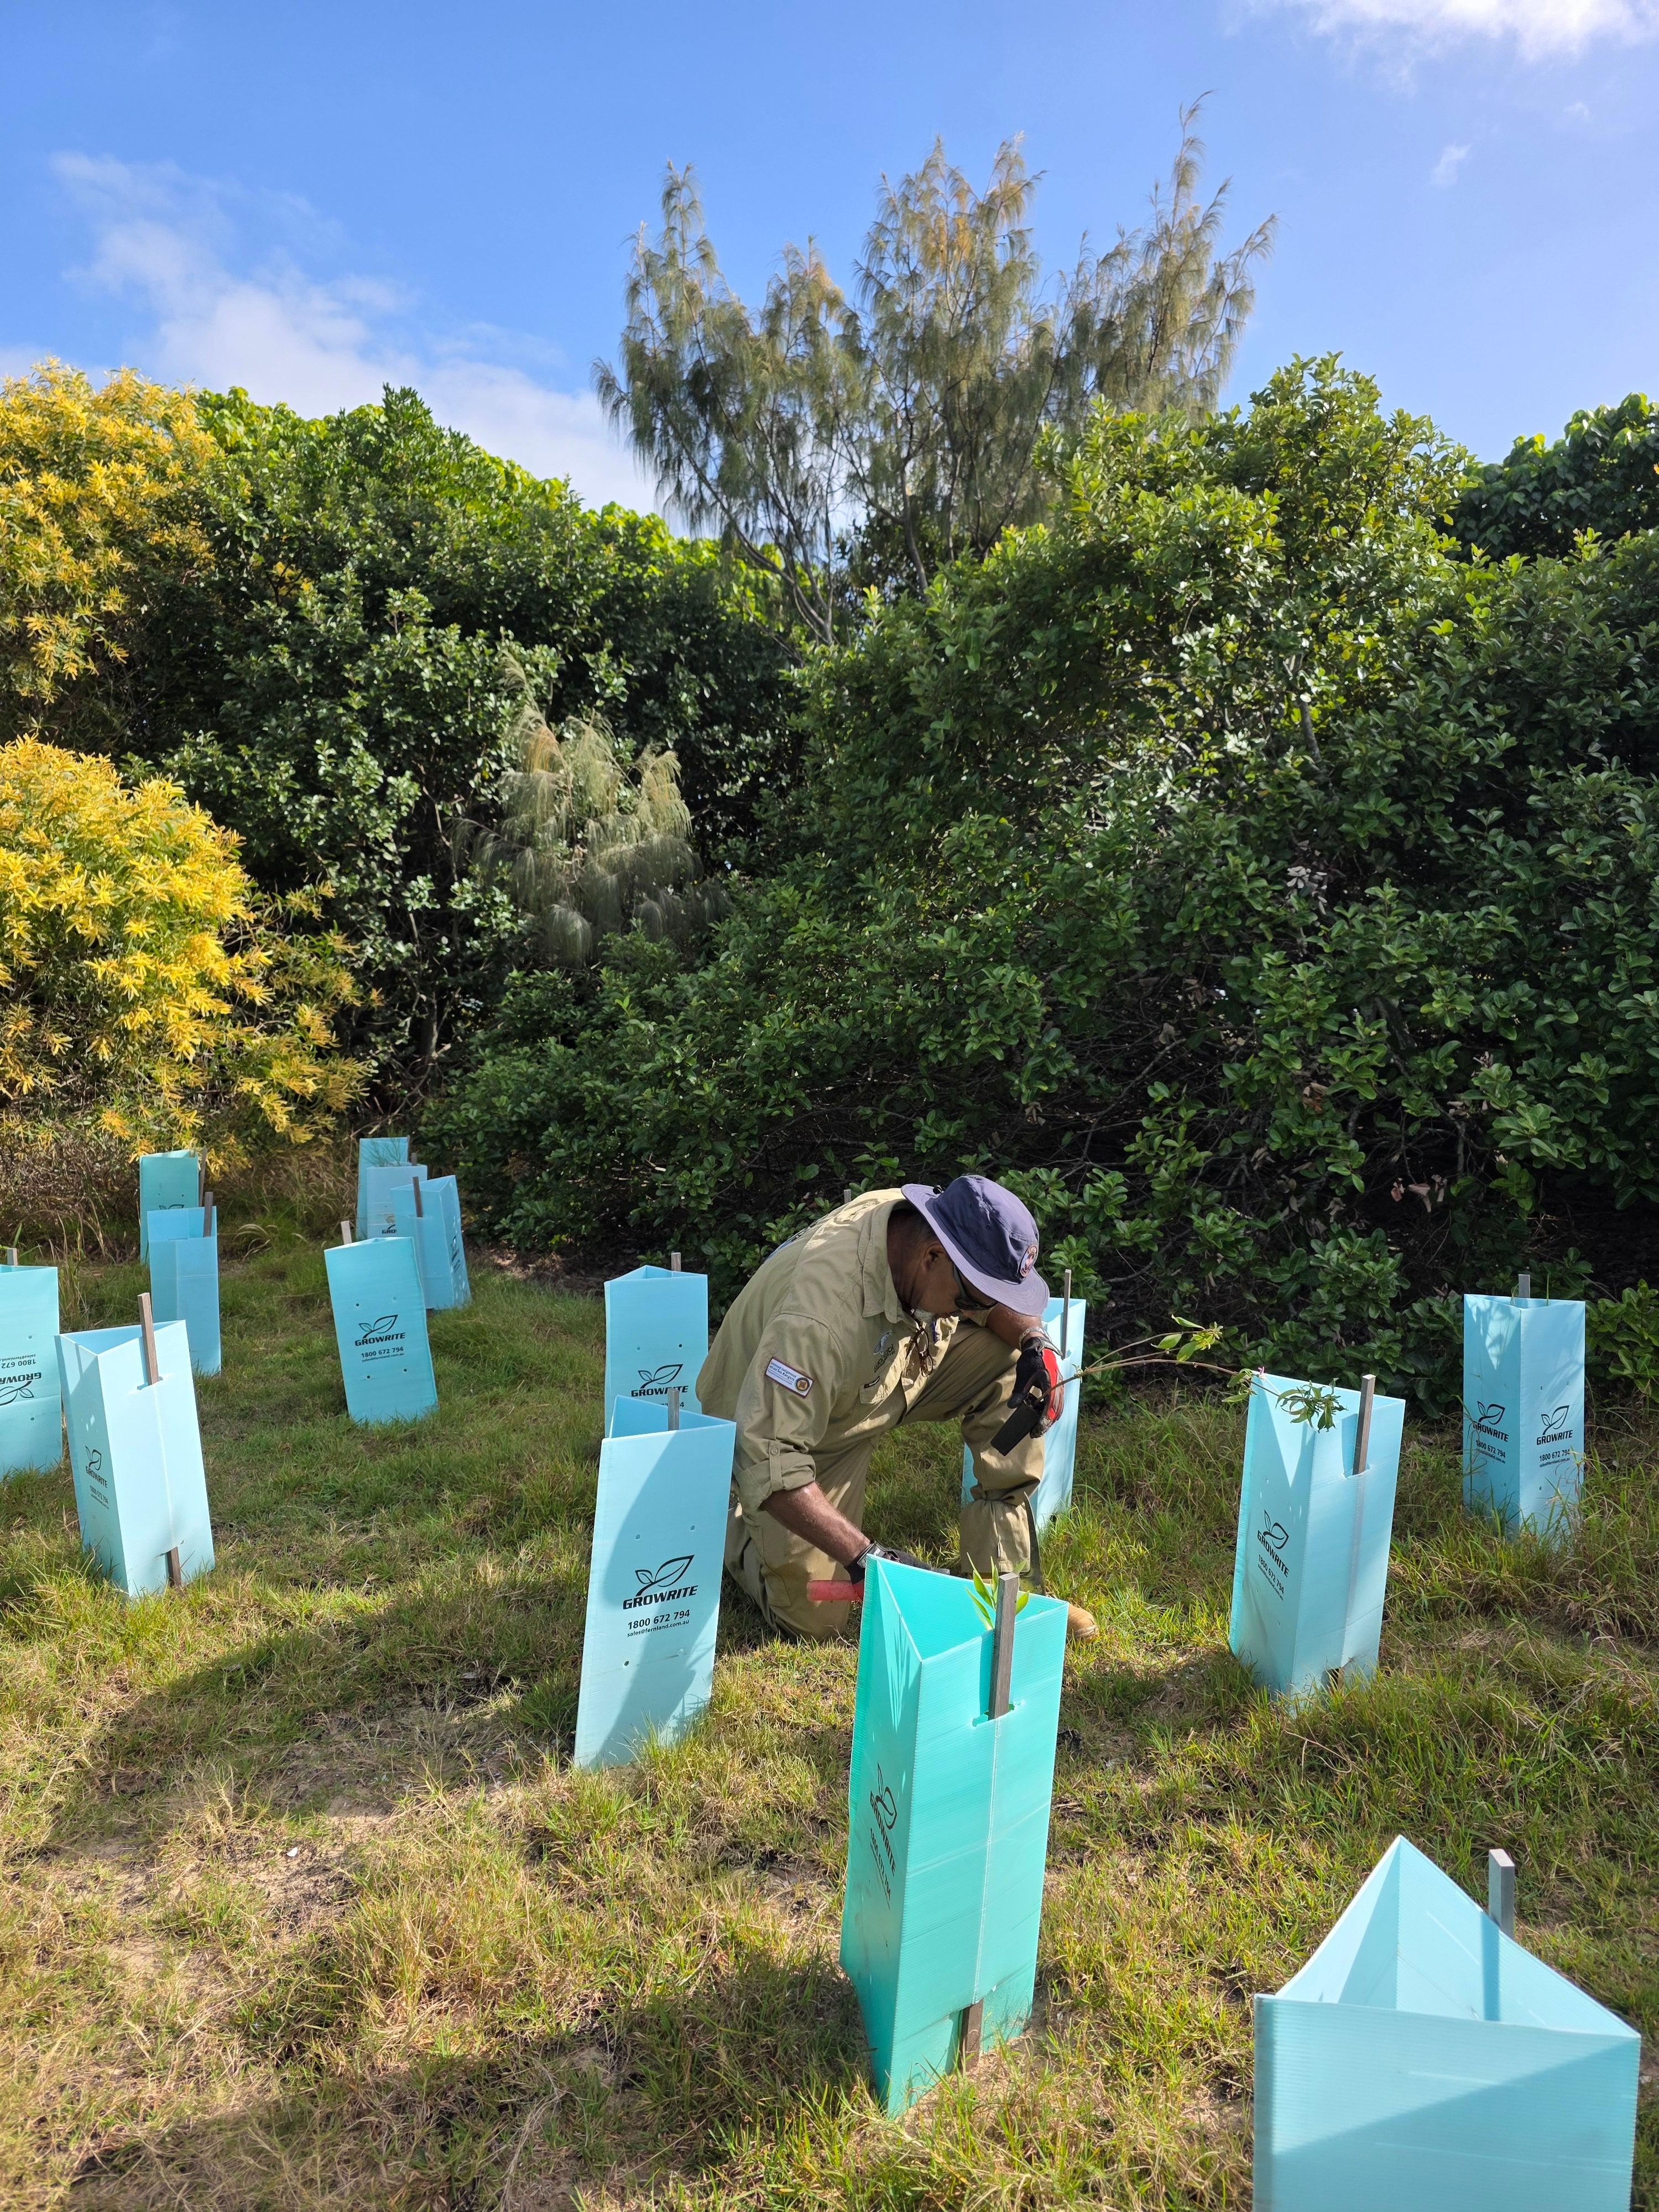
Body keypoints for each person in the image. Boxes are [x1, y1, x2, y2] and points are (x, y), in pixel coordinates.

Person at [697, 1175, 1099, 1641]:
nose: (974, 1312)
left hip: (879, 1371)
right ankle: (729, 1517)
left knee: (1014, 1363)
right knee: (818, 1616)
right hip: (792, 1429)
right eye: (972, 1300)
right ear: (931, 1259)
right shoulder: (817, 1323)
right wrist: (866, 1556)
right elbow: (772, 1456)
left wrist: (1034, 1338)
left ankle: (1002, 1589)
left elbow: (991, 1305)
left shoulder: (926, 1232)